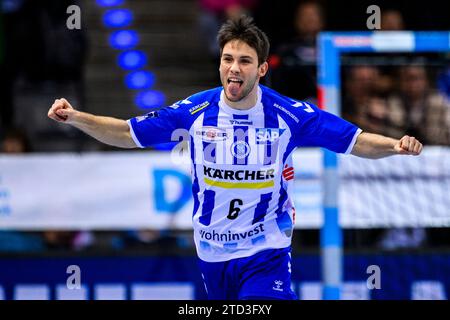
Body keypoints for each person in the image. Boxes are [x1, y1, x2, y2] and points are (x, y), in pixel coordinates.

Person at [47, 16, 423, 300]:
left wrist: (395, 145)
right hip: (212, 252)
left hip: (267, 250)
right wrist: (77, 117)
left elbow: (354, 140)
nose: (233, 68)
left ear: (261, 69)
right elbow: (127, 132)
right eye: (228, 59)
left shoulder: (289, 114)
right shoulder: (194, 111)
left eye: (244, 61)